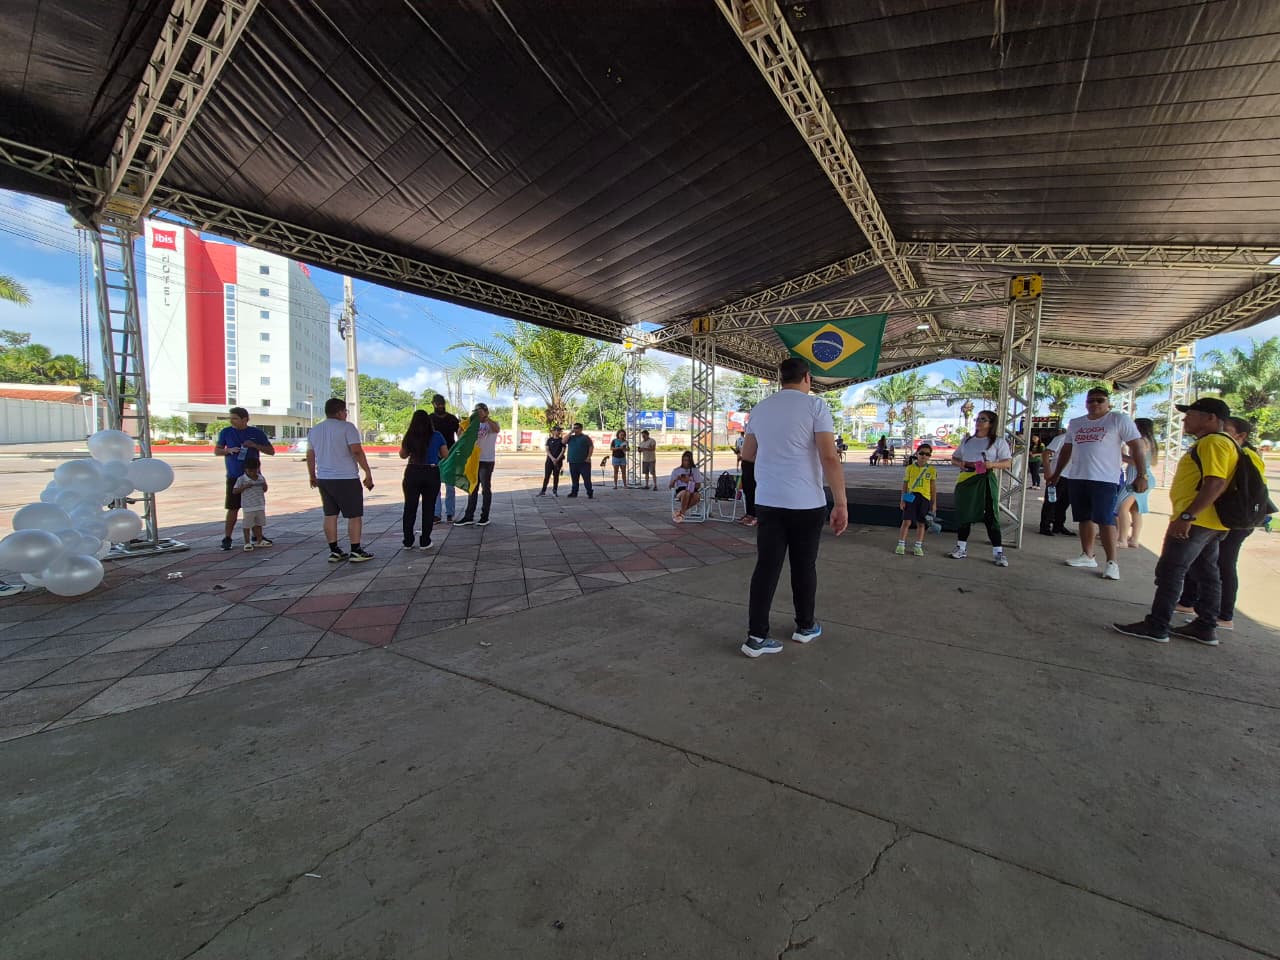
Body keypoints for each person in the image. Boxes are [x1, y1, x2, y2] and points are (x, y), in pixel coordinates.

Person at [740, 357, 848, 658]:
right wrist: (841, 502)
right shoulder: (815, 407)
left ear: (781, 378)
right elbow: (829, 457)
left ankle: (756, 636)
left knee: (766, 567)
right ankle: (805, 626)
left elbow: (747, 454)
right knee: (803, 567)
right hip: (806, 503)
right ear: (807, 378)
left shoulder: (761, 409)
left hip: (768, 501)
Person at [1114, 398, 1238, 646]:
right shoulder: (1222, 442)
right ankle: (1205, 626)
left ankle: (1157, 625)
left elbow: (1215, 482)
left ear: (1211, 418)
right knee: (1207, 572)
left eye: (1191, 414)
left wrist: (1187, 516)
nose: (1184, 419)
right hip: (1209, 522)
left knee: (1171, 571)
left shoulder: (1213, 442)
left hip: (1197, 521)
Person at [1045, 388, 1147, 581]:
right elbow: (1066, 449)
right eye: (1090, 400)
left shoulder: (1118, 419)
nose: (1095, 404)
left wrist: (1142, 475)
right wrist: (1056, 473)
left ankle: (1112, 563)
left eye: (1100, 400)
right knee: (1084, 518)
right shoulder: (1076, 423)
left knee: (1105, 519)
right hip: (1077, 476)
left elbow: (1137, 446)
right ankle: (1088, 555)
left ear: (1108, 403)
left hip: (1105, 479)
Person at [1176, 415, 1261, 632]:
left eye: (1227, 430)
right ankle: (1189, 602)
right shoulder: (1228, 448)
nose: (1221, 433)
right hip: (1217, 517)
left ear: (1241, 435)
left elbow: (1229, 486)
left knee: (1223, 564)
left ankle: (1223, 615)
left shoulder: (1245, 454)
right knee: (1202, 564)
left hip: (1233, 519)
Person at [306, 397, 375, 563]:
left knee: (330, 514)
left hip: (324, 478)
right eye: (345, 411)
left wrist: (312, 475)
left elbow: (310, 454)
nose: (346, 414)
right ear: (339, 412)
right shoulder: (347, 428)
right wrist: (367, 472)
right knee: (354, 515)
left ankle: (334, 550)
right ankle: (355, 550)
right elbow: (356, 451)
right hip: (346, 477)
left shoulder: (315, 430)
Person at [947, 410, 1013, 565]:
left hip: (985, 478)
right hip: (966, 479)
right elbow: (954, 458)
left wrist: (992, 464)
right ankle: (961, 547)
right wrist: (961, 463)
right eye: (978, 418)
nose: (979, 421)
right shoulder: (967, 441)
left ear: (991, 423)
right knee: (964, 514)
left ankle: (998, 552)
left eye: (983, 419)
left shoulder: (998, 441)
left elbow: (1007, 462)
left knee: (991, 515)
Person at [214, 406, 275, 550]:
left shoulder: (256, 433)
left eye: (235, 418)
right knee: (233, 508)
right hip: (234, 476)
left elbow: (271, 451)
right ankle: (227, 537)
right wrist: (228, 450)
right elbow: (217, 451)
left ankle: (257, 536)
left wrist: (255, 445)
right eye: (231, 418)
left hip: (253, 477)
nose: (232, 421)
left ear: (245, 419)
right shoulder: (226, 432)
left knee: (254, 507)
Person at [399, 409, 448, 549]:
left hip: (413, 471)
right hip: (431, 472)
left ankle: (408, 540)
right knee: (429, 507)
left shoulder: (410, 435)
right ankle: (425, 540)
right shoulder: (437, 435)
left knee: (410, 507)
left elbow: (403, 455)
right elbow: (445, 454)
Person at [454, 403, 500, 527]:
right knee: (472, 488)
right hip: (474, 460)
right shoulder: (473, 425)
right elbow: (460, 437)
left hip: (487, 461)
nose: (478, 414)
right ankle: (468, 516)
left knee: (486, 488)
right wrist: (462, 426)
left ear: (486, 411)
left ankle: (484, 517)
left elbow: (496, 429)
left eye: (480, 411)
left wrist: (486, 418)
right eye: (476, 411)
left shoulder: (491, 424)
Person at [1116, 417, 1158, 549]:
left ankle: (1122, 539)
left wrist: (1120, 455)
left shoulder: (1140, 441)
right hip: (1145, 477)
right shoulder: (1150, 441)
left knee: (1121, 507)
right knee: (1135, 510)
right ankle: (1134, 539)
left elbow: (1136, 461)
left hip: (1136, 479)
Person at [896, 444, 938, 556]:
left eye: (927, 454)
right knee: (906, 521)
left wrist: (934, 503)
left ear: (930, 456)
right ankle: (901, 544)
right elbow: (905, 485)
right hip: (910, 496)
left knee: (921, 523)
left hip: (925, 498)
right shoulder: (910, 468)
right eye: (921, 453)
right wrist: (902, 500)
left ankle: (918, 546)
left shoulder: (932, 470)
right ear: (917, 454)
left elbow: (933, 487)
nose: (924, 456)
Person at [429, 394, 460, 523]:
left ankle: (450, 513)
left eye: (442, 404)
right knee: (435, 486)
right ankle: (436, 514)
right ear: (433, 404)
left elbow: (460, 433)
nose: (440, 406)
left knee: (450, 486)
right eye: (438, 404)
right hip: (434, 456)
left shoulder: (452, 419)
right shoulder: (430, 419)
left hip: (450, 455)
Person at [1038, 427, 1073, 536]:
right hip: (1057, 475)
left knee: (1064, 502)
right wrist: (1048, 472)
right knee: (1051, 500)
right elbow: (1046, 454)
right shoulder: (1062, 438)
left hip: (1071, 476)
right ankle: (1045, 526)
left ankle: (1058, 525)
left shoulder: (1081, 442)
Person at [233, 457, 269, 551]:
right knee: (247, 525)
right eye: (250, 471)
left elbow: (265, 489)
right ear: (246, 470)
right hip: (248, 506)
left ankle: (259, 540)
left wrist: (264, 485)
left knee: (259, 524)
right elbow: (235, 491)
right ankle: (247, 542)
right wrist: (244, 487)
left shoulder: (261, 477)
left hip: (259, 504)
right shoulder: (242, 479)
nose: (252, 473)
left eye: (255, 470)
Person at [669, 451, 703, 522]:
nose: (686, 462)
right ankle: (682, 514)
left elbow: (698, 485)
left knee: (697, 496)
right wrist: (675, 479)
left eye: (688, 460)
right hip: (681, 490)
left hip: (693, 489)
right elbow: (670, 486)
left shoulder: (695, 470)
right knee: (686, 492)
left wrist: (688, 481)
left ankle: (680, 513)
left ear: (691, 461)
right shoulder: (676, 470)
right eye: (684, 460)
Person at [564, 423, 595, 498]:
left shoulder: (585, 437)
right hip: (573, 461)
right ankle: (574, 492)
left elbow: (591, 447)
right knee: (574, 479)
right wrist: (570, 432)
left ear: (581, 429)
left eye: (577, 428)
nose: (575, 429)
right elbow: (563, 441)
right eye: (574, 428)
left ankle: (589, 492)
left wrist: (588, 457)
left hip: (584, 462)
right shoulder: (571, 437)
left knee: (586, 478)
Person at [539, 425, 566, 496]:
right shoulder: (549, 440)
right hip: (549, 461)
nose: (558, 432)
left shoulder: (562, 440)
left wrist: (557, 459)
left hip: (558, 461)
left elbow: (563, 451)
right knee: (547, 476)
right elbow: (547, 450)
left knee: (556, 476)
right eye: (556, 430)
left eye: (559, 430)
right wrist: (552, 458)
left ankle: (555, 491)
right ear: (553, 431)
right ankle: (543, 491)